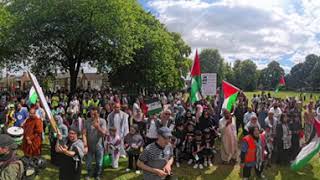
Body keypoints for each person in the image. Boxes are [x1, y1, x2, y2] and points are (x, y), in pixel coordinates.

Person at [83, 107, 107, 180]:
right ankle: (89, 174)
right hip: (89, 146)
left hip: (99, 146)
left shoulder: (102, 121)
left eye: (94, 114)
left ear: (98, 114)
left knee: (99, 162)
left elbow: (104, 134)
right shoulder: (87, 121)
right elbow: (83, 134)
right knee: (88, 162)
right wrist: (85, 145)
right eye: (91, 113)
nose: (92, 115)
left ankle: (97, 175)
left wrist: (98, 127)